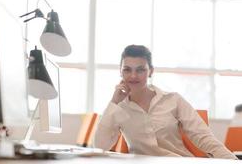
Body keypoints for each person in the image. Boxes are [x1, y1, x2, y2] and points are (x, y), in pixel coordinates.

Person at [94, 44, 237, 159]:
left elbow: (203, 136)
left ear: (150, 71)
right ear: (120, 72)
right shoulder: (119, 108)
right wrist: (114, 102)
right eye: (127, 70)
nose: (133, 76)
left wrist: (232, 161)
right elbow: (100, 146)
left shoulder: (173, 100)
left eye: (140, 70)